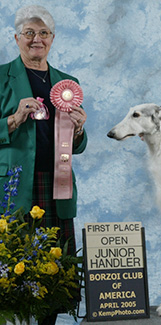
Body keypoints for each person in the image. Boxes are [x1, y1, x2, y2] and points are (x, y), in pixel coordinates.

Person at [0, 5, 87, 323]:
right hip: (15, 186)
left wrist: (78, 129)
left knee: (55, 269)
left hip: (57, 183)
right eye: (29, 33)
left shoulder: (67, 83)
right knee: (13, 272)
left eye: (44, 33)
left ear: (52, 39)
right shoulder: (0, 77)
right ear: (16, 38)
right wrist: (13, 119)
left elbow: (78, 146)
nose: (37, 39)